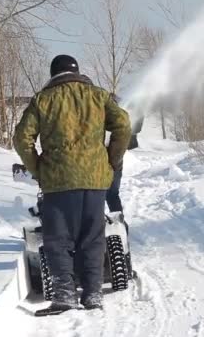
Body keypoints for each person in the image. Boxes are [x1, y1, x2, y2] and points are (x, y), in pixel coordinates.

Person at [13, 54, 131, 313]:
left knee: (58, 240)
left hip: (57, 182)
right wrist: (111, 161)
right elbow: (123, 124)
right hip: (94, 180)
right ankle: (93, 295)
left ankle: (65, 296)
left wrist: (38, 169)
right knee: (92, 237)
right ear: (77, 71)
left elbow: (22, 138)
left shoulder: (42, 100)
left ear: (53, 74)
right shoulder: (98, 96)